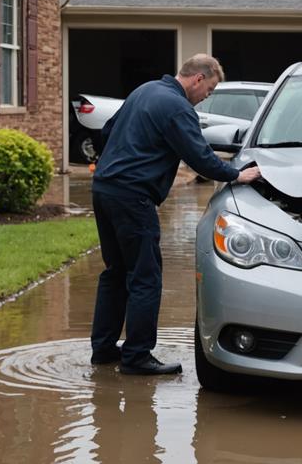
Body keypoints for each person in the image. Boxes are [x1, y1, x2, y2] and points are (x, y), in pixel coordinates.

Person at [89, 53, 261, 375]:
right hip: (133, 197)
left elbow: (108, 131)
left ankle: (103, 349)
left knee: (115, 273)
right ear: (198, 79)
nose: (205, 98)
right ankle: (137, 357)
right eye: (208, 91)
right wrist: (237, 175)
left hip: (104, 189)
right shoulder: (177, 107)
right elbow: (200, 157)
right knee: (146, 278)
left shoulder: (145, 91)